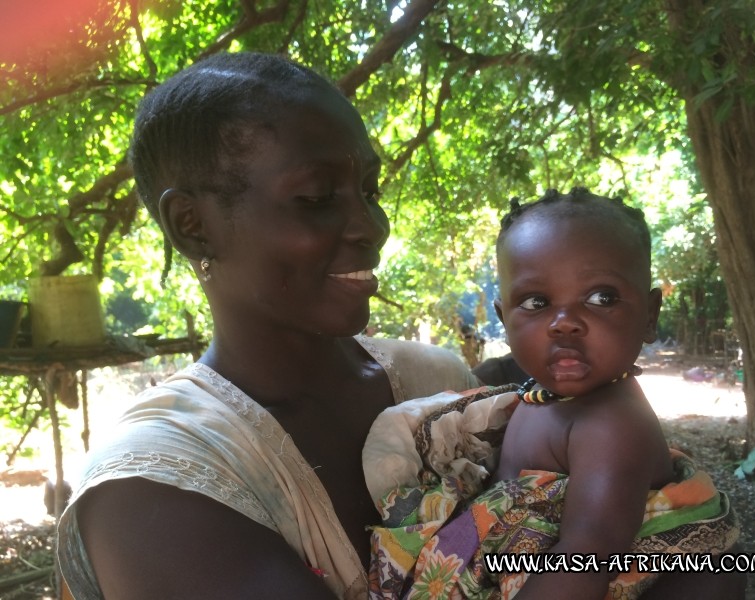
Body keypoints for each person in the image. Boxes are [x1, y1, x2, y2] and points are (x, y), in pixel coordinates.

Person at [56, 52, 480, 600]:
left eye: (370, 191)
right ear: (193, 226)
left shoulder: (438, 382)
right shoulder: (154, 484)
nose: (374, 226)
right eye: (317, 198)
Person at [365, 189, 742, 599]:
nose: (564, 323)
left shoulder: (611, 424)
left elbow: (587, 556)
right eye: (537, 301)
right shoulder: (537, 397)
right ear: (505, 319)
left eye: (602, 298)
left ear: (650, 316)